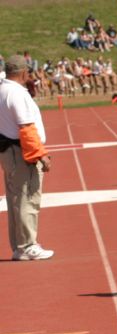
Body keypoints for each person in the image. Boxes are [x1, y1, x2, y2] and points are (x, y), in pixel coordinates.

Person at [0, 55, 53, 260]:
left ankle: (19, 246)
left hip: (8, 151)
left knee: (16, 200)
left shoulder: (2, 90)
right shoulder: (16, 93)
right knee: (27, 198)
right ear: (23, 72)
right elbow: (27, 128)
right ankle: (28, 245)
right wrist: (40, 155)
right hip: (20, 152)